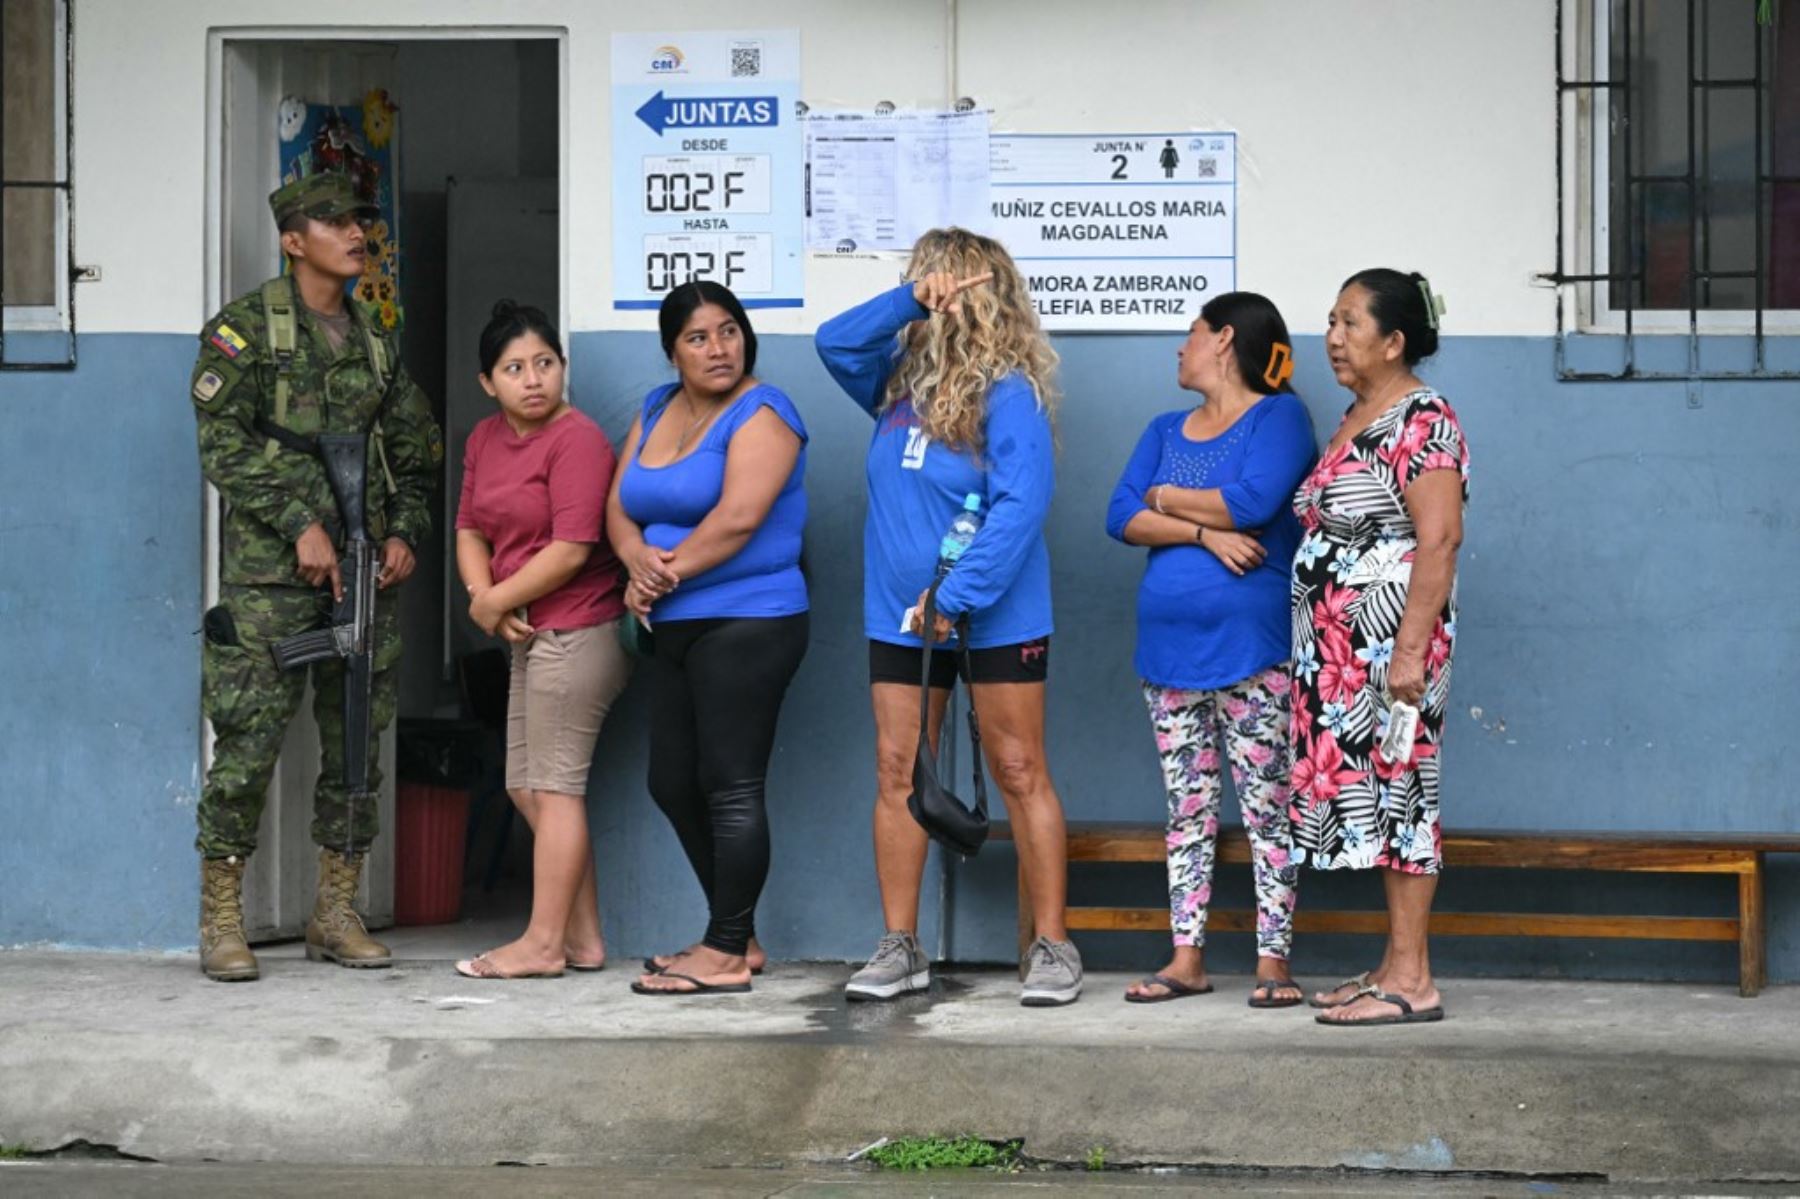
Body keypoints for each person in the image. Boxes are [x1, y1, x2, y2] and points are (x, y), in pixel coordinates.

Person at [816, 227, 1082, 1007]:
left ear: (982, 289)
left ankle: (1053, 946)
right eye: (920, 278)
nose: (928, 289)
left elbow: (1021, 504)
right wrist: (906, 302)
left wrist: (956, 596)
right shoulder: (895, 381)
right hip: (898, 619)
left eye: (941, 280)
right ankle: (901, 946)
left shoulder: (1011, 391)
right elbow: (834, 343)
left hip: (993, 612)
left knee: (1020, 770)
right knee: (898, 770)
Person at [189, 171, 442, 981]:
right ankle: (222, 916)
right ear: (294, 240)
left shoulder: (373, 336)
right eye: (334, 220)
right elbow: (220, 442)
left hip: (363, 573)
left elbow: (414, 448)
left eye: (361, 218)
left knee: (357, 744)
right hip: (271, 584)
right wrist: (299, 520)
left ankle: (335, 909)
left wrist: (405, 530)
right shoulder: (244, 332)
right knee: (248, 747)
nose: (355, 231)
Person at [1105, 292, 1316, 1007]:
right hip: (1168, 653)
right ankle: (1187, 956)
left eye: (1189, 334)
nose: (1179, 348)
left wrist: (1163, 496)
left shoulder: (1279, 416)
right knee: (1187, 810)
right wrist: (1201, 532)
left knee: (1267, 808)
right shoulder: (1165, 426)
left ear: (1224, 339)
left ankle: (1272, 962)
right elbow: (1117, 515)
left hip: (1252, 649)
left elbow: (1253, 503)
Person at [607, 281, 809, 996]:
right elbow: (620, 503)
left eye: (729, 330)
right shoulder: (656, 408)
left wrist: (658, 576)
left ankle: (725, 950)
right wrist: (633, 558)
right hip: (670, 625)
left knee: (730, 784)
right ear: (672, 351)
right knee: (671, 780)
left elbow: (739, 517)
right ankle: (737, 931)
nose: (718, 347)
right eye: (698, 337)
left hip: (750, 618)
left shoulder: (765, 410)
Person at [1293, 269, 1467, 1026]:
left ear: (1395, 341)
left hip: (1389, 651)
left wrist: (1408, 654)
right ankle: (1394, 964)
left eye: (1351, 323)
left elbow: (1441, 539)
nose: (1333, 337)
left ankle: (1413, 981)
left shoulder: (1424, 418)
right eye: (1331, 321)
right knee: (1376, 800)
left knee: (1404, 798)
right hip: (1339, 658)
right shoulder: (1359, 415)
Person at [452, 302, 631, 980]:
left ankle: (543, 943)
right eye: (515, 368)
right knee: (528, 788)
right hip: (527, 631)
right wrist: (482, 597)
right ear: (487, 382)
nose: (533, 379)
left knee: (553, 789)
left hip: (579, 626)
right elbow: (470, 526)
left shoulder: (577, 439)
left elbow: (573, 547)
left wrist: (497, 599)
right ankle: (582, 940)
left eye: (545, 363)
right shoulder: (485, 440)